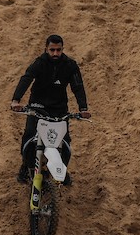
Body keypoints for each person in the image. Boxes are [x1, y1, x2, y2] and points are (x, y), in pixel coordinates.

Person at [9, 34, 92, 185]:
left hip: (59, 109)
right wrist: (16, 100)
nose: (55, 53)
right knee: (29, 136)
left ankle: (62, 168)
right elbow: (27, 78)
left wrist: (83, 108)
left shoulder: (70, 65)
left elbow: (77, 87)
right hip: (37, 106)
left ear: (62, 49)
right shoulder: (39, 63)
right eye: (52, 50)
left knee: (64, 141)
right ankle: (25, 165)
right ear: (46, 49)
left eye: (58, 50)